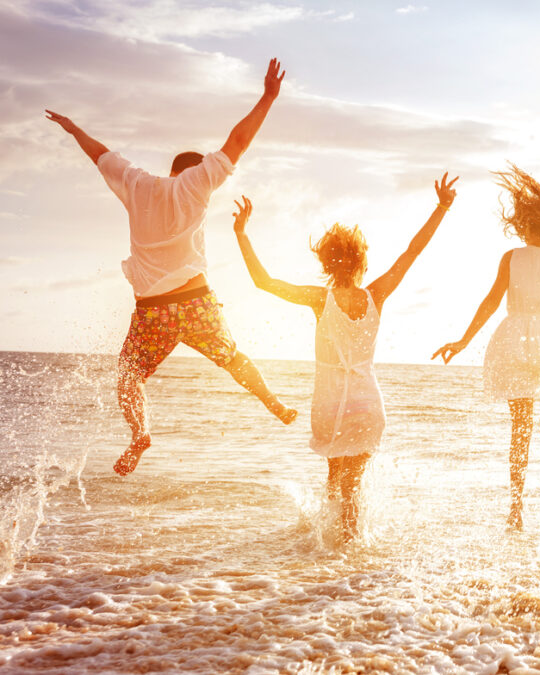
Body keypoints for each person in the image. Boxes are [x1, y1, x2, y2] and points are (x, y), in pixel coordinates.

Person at [45, 59, 295, 476]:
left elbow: (101, 155)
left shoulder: (137, 183)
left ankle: (139, 433)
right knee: (233, 359)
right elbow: (237, 140)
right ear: (196, 171)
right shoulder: (197, 184)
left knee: (129, 378)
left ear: (172, 170)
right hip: (196, 301)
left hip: (152, 312)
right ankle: (274, 403)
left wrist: (73, 130)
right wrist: (268, 97)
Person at [233, 174, 459, 540]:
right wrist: (442, 207)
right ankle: (346, 557)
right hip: (367, 402)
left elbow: (264, 281)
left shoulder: (319, 299)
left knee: (336, 479)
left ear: (325, 263)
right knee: (354, 483)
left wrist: (242, 234)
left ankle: (335, 552)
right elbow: (412, 253)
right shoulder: (377, 294)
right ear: (361, 261)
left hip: (329, 402)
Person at [433, 165, 540, 530]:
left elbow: (490, 302)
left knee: (518, 430)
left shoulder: (512, 257)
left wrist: (464, 340)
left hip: (513, 340)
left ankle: (516, 505)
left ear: (525, 225)